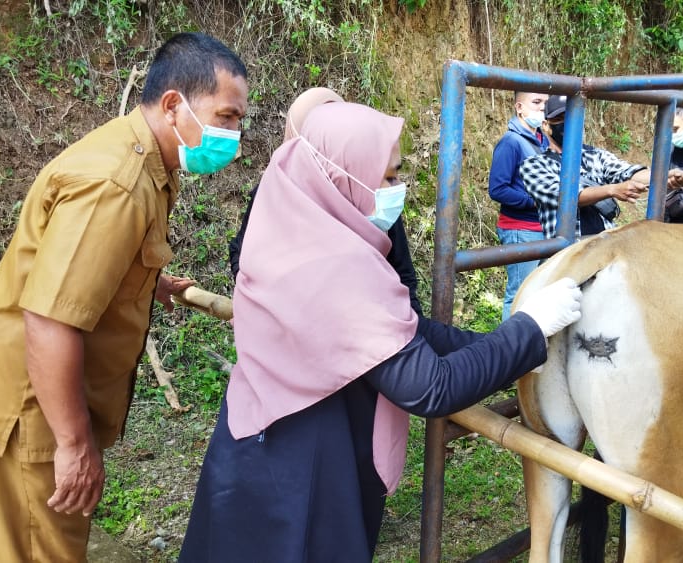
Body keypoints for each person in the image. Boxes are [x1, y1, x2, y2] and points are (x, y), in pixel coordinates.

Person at [178, 101, 583, 562]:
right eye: (388, 177)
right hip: (311, 473)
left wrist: (505, 341)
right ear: (343, 175)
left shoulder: (287, 228)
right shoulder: (341, 267)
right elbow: (431, 386)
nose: (397, 189)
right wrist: (530, 329)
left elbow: (404, 334)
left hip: (253, 449)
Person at [0, 32, 248, 561]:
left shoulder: (148, 159)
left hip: (42, 397)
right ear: (174, 104)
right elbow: (50, 321)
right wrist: (73, 443)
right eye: (225, 116)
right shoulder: (117, 183)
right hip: (31, 412)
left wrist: (147, 282)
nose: (234, 134)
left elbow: (89, 264)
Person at [228, 87, 422, 314]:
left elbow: (403, 274)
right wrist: (254, 303)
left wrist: (412, 326)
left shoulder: (372, 197)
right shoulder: (272, 198)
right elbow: (243, 252)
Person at [519, 95, 683, 239]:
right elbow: (564, 197)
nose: (567, 123)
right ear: (546, 126)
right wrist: (611, 190)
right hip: (567, 253)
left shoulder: (596, 155)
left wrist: (663, 177)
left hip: (604, 248)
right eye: (559, 118)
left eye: (572, 117)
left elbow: (628, 172)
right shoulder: (533, 165)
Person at [489, 91, 551, 322]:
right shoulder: (511, 142)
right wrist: (534, 201)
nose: (542, 108)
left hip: (543, 227)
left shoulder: (543, 140)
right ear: (519, 107)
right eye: (536, 103)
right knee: (518, 293)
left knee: (539, 291)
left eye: (545, 103)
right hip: (520, 228)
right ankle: (509, 352)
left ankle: (530, 346)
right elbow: (497, 189)